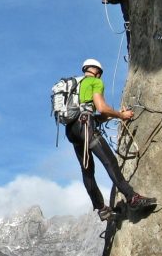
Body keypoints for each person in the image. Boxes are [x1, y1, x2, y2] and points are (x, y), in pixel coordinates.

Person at [67, 58, 157, 220]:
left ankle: (102, 209)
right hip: (86, 127)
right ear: (98, 72)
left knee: (87, 171)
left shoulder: (75, 86)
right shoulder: (95, 82)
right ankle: (133, 198)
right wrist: (122, 115)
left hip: (72, 131)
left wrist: (111, 117)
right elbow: (102, 108)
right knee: (110, 162)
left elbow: (89, 114)